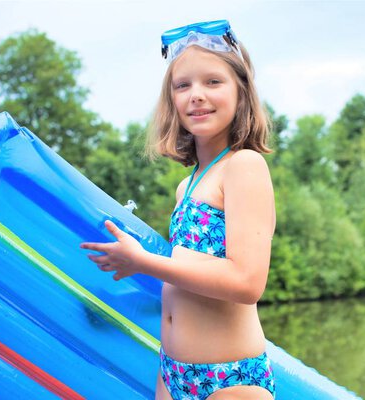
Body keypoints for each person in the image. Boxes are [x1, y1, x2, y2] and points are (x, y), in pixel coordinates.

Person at [81, 20, 276, 400]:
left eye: (212, 82)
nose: (196, 95)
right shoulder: (186, 186)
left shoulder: (244, 166)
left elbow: (247, 283)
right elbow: (189, 276)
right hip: (172, 373)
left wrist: (142, 262)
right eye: (182, 85)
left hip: (229, 378)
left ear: (241, 91)